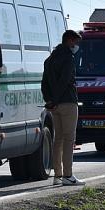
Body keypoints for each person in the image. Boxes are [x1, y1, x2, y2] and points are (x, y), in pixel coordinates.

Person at [41, 30, 85, 186]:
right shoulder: (68, 58)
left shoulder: (49, 59)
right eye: (76, 42)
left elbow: (44, 83)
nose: (76, 46)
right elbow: (65, 81)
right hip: (68, 103)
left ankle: (57, 175)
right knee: (69, 139)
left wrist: (50, 100)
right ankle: (68, 175)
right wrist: (56, 99)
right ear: (70, 40)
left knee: (57, 139)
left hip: (54, 106)